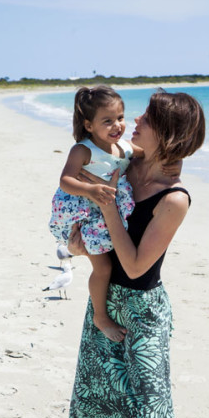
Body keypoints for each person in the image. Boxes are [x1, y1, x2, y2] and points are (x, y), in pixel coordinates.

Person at [67, 89, 205, 418]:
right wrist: (80, 246)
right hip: (105, 305)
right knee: (92, 411)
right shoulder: (128, 164)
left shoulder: (174, 198)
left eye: (147, 118)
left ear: (169, 133)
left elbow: (134, 266)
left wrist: (106, 201)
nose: (136, 122)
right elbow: (87, 209)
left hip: (143, 314)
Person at [49, 85, 138, 342]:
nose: (117, 126)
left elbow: (149, 154)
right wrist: (89, 189)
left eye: (120, 118)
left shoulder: (123, 147)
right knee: (104, 267)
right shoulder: (82, 149)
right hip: (85, 212)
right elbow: (65, 180)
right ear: (88, 125)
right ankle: (100, 316)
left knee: (114, 259)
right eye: (107, 121)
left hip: (106, 211)